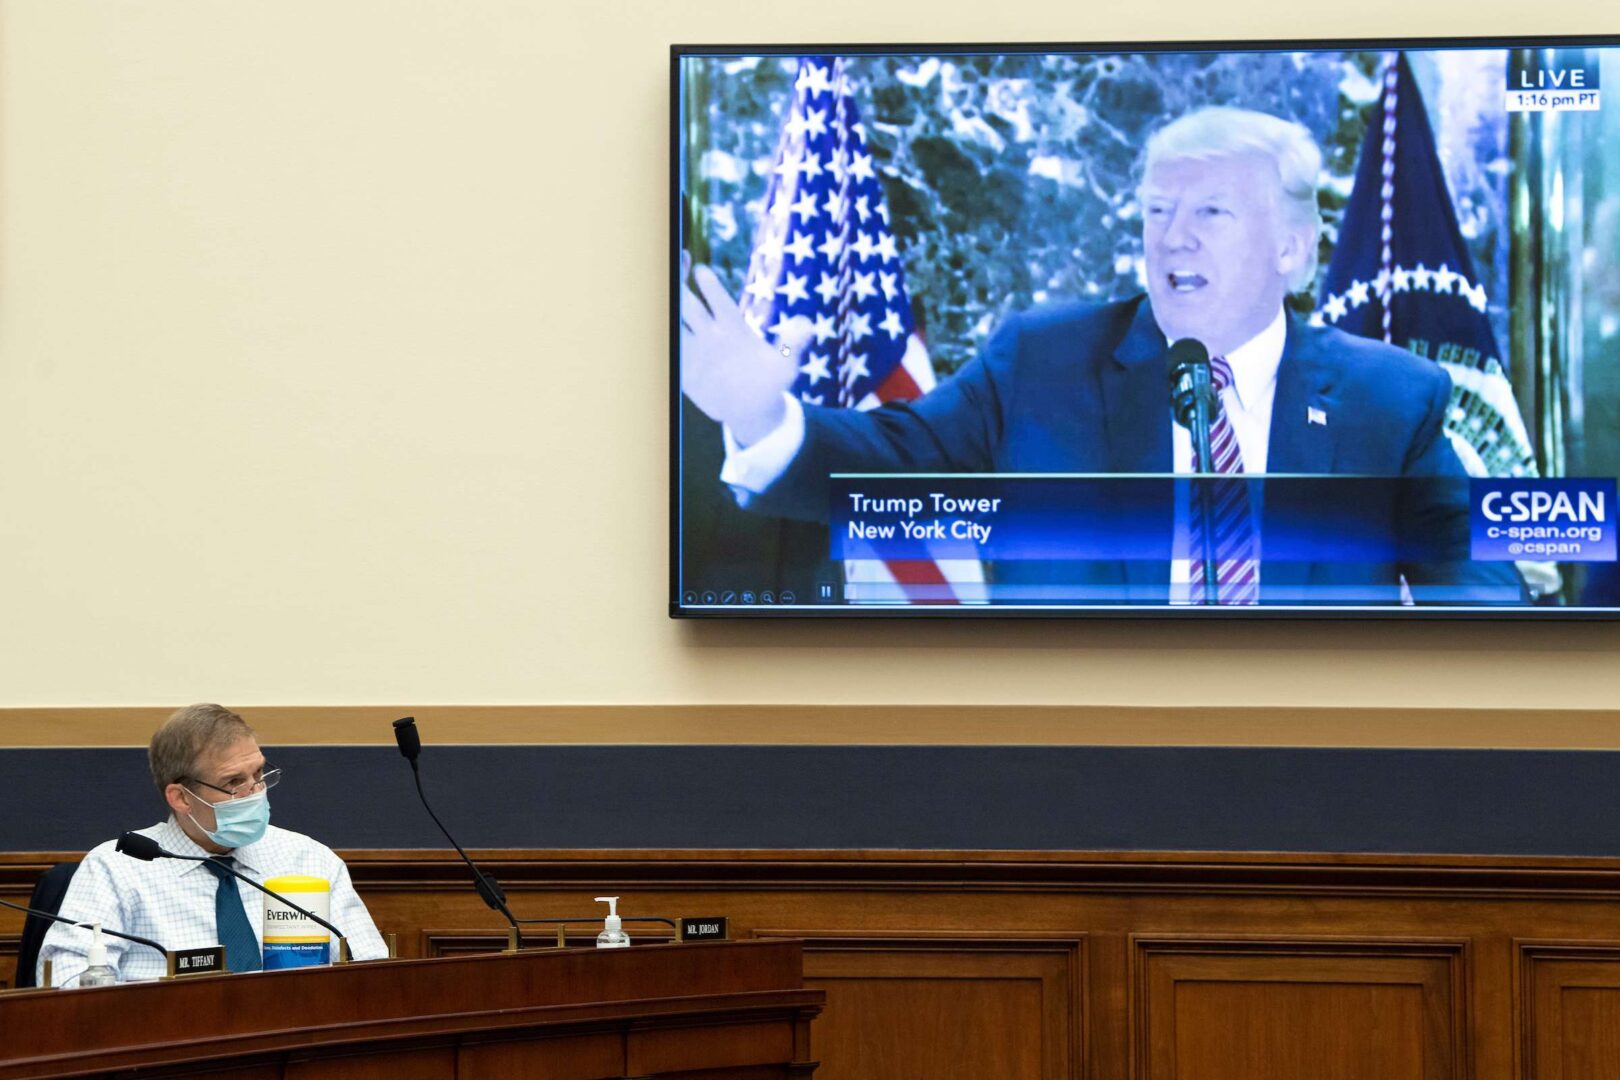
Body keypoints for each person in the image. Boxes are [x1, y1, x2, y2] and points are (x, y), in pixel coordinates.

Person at [680, 105, 1523, 604]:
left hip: (1306, 786)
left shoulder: (1390, 398)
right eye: (1158, 212)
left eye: (1212, 214)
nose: (1174, 239)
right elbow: (889, 466)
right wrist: (761, 415)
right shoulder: (1042, 364)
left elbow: (1480, 594)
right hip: (1072, 784)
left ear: (1293, 250)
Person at [37, 704, 387, 985]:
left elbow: (372, 973)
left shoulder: (309, 860)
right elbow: (67, 982)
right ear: (181, 797)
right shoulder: (117, 867)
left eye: (258, 774)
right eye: (234, 782)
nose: (255, 792)